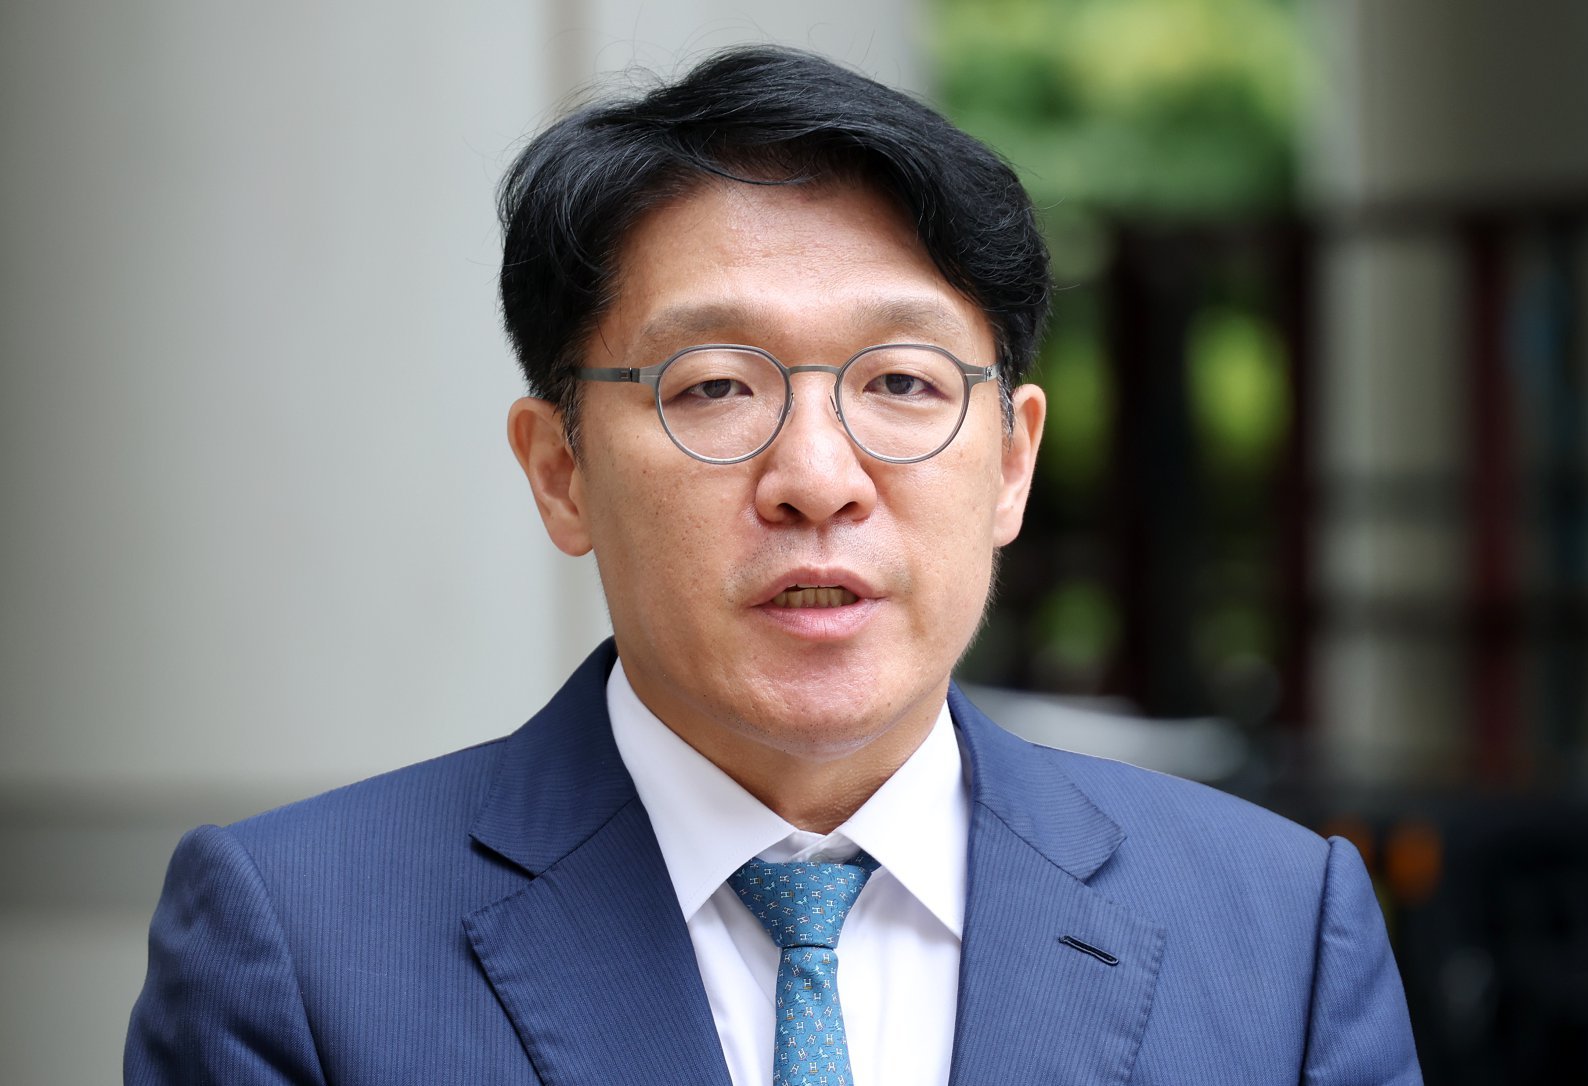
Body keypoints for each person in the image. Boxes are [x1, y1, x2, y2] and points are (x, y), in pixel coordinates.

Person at [125, 46, 1422, 1086]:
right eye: (715, 385)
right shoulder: (301, 945)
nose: (816, 476)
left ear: (1012, 463)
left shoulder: (1275, 930)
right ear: (561, 470)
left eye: (902, 381)